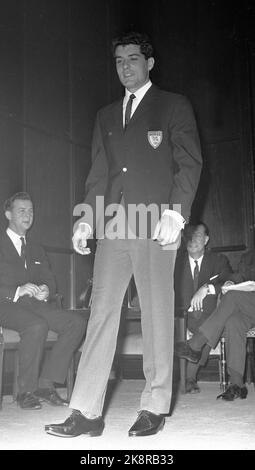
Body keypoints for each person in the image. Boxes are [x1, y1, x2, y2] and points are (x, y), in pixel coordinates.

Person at [45, 30, 202, 438]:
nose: (125, 67)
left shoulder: (174, 106)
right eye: (119, 61)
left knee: (156, 315)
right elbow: (99, 176)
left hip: (157, 224)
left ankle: (154, 405)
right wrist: (85, 220)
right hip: (114, 226)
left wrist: (177, 212)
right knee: (101, 314)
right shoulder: (105, 115)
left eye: (133, 59)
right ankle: (86, 412)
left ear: (149, 63)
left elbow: (189, 164)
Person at [0, 192, 85, 410]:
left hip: (34, 304)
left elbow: (49, 280)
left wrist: (46, 290)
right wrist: (16, 290)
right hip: (6, 304)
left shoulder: (36, 247)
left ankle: (46, 384)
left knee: (76, 323)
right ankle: (25, 391)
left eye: (30, 211)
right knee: (36, 326)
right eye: (21, 211)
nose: (28, 215)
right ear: (8, 214)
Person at [175, 248, 255, 400]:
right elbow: (238, 277)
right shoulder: (248, 257)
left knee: (232, 297)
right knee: (233, 322)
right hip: (249, 307)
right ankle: (237, 384)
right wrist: (232, 282)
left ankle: (195, 344)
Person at [174, 222, 232, 392]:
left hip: (208, 314)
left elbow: (231, 282)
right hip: (182, 315)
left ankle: (189, 376)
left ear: (206, 240)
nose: (193, 240)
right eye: (189, 236)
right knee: (209, 328)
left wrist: (207, 288)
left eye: (198, 235)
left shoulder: (218, 260)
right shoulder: (176, 262)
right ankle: (190, 375)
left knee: (209, 316)